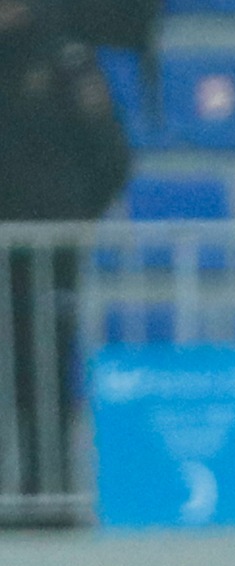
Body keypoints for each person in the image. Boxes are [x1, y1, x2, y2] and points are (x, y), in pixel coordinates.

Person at [0, 0, 129, 524]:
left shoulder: (64, 56)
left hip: (50, 249)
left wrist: (71, 219)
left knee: (45, 371)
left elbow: (111, 154)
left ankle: (47, 496)